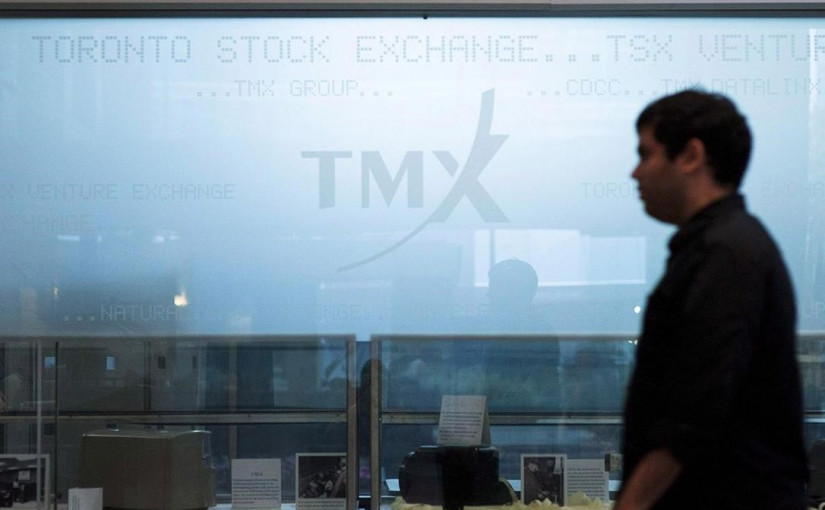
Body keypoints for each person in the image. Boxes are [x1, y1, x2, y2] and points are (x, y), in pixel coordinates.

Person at [615, 89, 809, 510]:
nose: (635, 172)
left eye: (646, 154)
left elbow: (696, 408)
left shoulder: (727, 254)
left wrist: (632, 504)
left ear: (690, 156)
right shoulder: (719, 246)